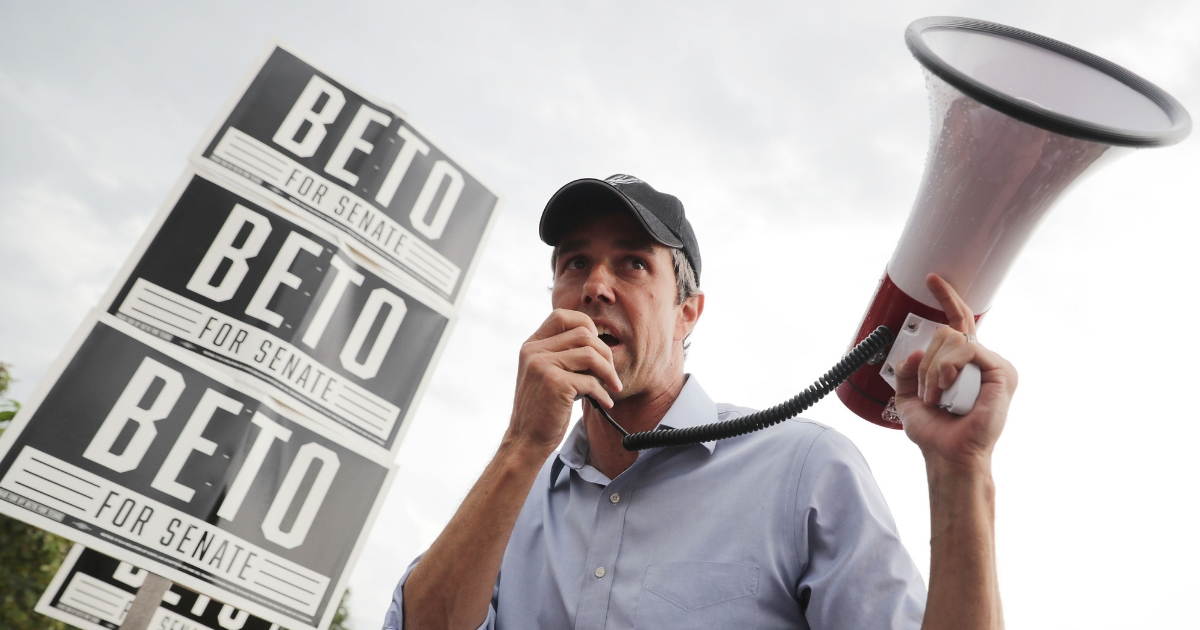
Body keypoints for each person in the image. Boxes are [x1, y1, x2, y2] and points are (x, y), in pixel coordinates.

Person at [385, 175, 1014, 630]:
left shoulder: (804, 470)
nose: (596, 286)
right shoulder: (509, 501)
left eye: (632, 264)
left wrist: (962, 474)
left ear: (688, 312)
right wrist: (521, 447)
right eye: (575, 263)